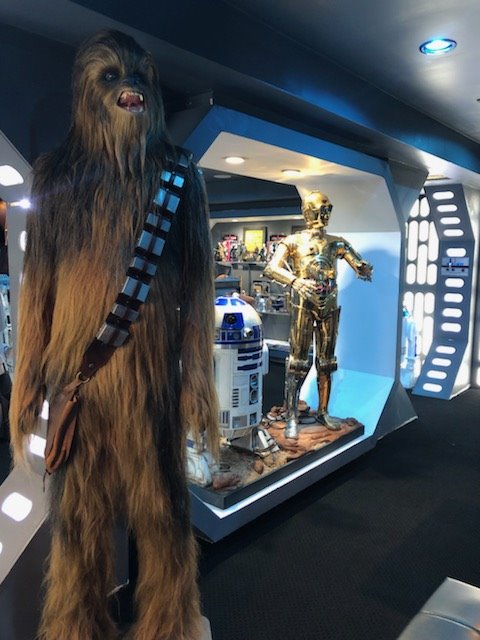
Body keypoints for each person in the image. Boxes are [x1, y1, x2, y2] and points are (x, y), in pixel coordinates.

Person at [263, 191, 372, 438]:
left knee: (327, 361)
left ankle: (323, 411)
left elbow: (359, 264)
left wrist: (363, 268)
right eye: (319, 210)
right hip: (304, 303)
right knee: (297, 361)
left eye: (327, 210)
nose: (323, 215)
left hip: (329, 304)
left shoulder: (337, 242)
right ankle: (291, 414)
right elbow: (271, 268)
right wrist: (294, 281)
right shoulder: (293, 241)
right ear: (307, 211)